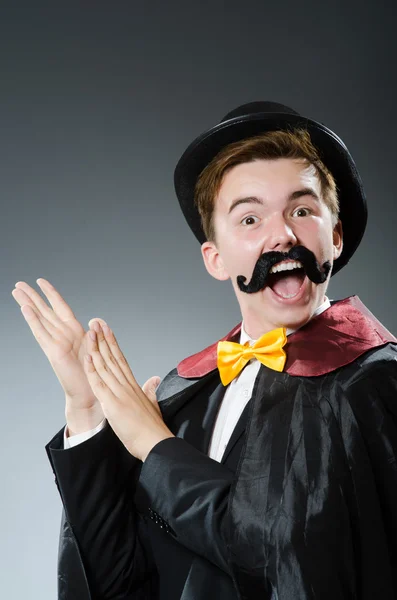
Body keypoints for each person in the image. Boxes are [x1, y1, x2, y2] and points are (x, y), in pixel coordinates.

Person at [13, 101, 397, 599]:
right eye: (250, 219)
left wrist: (155, 447)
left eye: (302, 211)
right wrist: (89, 413)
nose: (283, 234)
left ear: (335, 236)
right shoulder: (189, 391)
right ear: (215, 258)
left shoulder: (375, 385)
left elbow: (290, 560)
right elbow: (120, 581)